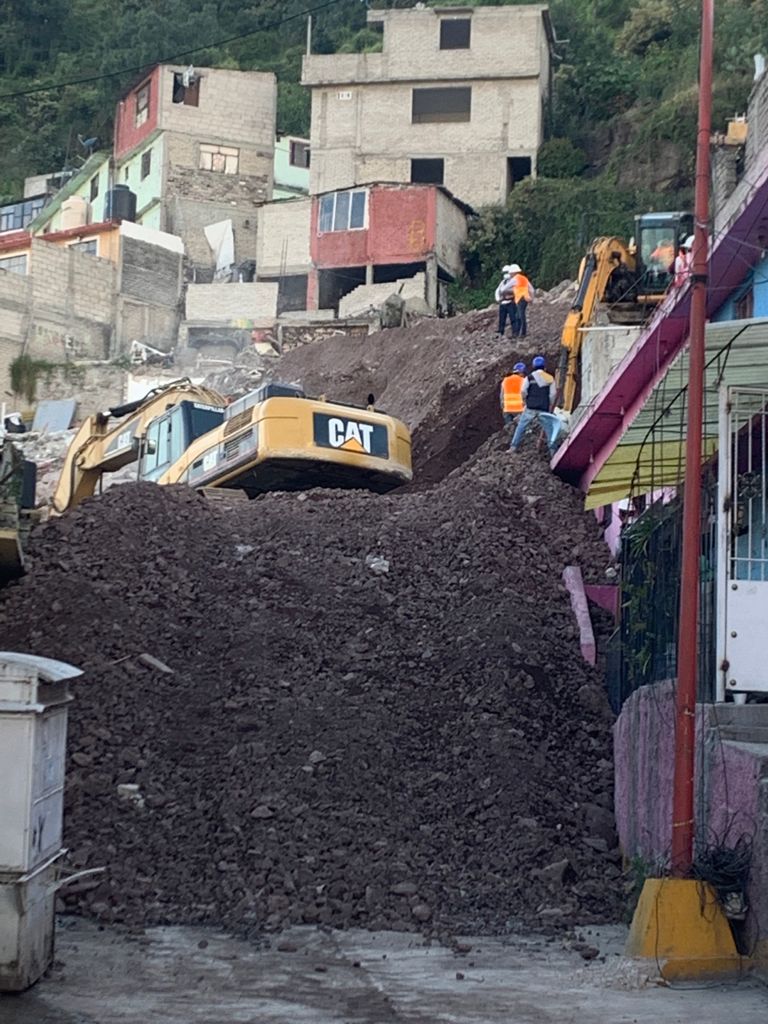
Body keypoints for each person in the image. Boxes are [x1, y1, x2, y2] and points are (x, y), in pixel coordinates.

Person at [509, 355, 561, 455]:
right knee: (549, 429)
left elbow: (523, 391)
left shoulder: (529, 378)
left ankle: (513, 446)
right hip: (543, 407)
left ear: (533, 366)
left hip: (531, 407)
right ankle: (553, 451)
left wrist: (525, 400)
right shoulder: (550, 378)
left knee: (521, 426)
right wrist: (550, 404)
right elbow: (553, 394)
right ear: (544, 367)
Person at [499, 362, 527, 433]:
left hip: (507, 409)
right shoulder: (523, 381)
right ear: (521, 372)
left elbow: (502, 396)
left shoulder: (505, 380)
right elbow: (525, 395)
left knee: (510, 429)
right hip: (519, 409)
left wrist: (503, 407)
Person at [508, 263, 534, 337]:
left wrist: (501, 291)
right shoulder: (523, 278)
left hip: (520, 298)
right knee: (518, 316)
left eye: (510, 272)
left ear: (513, 272)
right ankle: (518, 332)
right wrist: (532, 298)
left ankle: (522, 333)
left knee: (521, 316)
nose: (509, 274)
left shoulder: (515, 279)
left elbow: (506, 287)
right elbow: (531, 289)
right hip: (524, 298)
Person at [494, 265, 517, 338]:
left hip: (511, 302)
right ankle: (501, 331)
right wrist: (498, 299)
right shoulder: (502, 282)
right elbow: (498, 290)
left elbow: (515, 290)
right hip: (503, 303)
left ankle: (515, 332)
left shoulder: (513, 281)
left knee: (513, 318)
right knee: (502, 319)